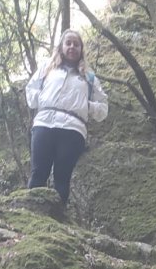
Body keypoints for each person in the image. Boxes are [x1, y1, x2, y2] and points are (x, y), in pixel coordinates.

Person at [25, 30, 108, 206]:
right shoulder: (47, 68)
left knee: (62, 177)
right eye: (68, 43)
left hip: (72, 129)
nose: (72, 47)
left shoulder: (89, 77)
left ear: (81, 49)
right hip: (44, 124)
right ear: (61, 47)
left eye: (76, 44)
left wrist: (86, 106)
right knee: (38, 172)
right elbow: (30, 91)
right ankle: (30, 216)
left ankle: (57, 220)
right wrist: (43, 99)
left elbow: (103, 109)